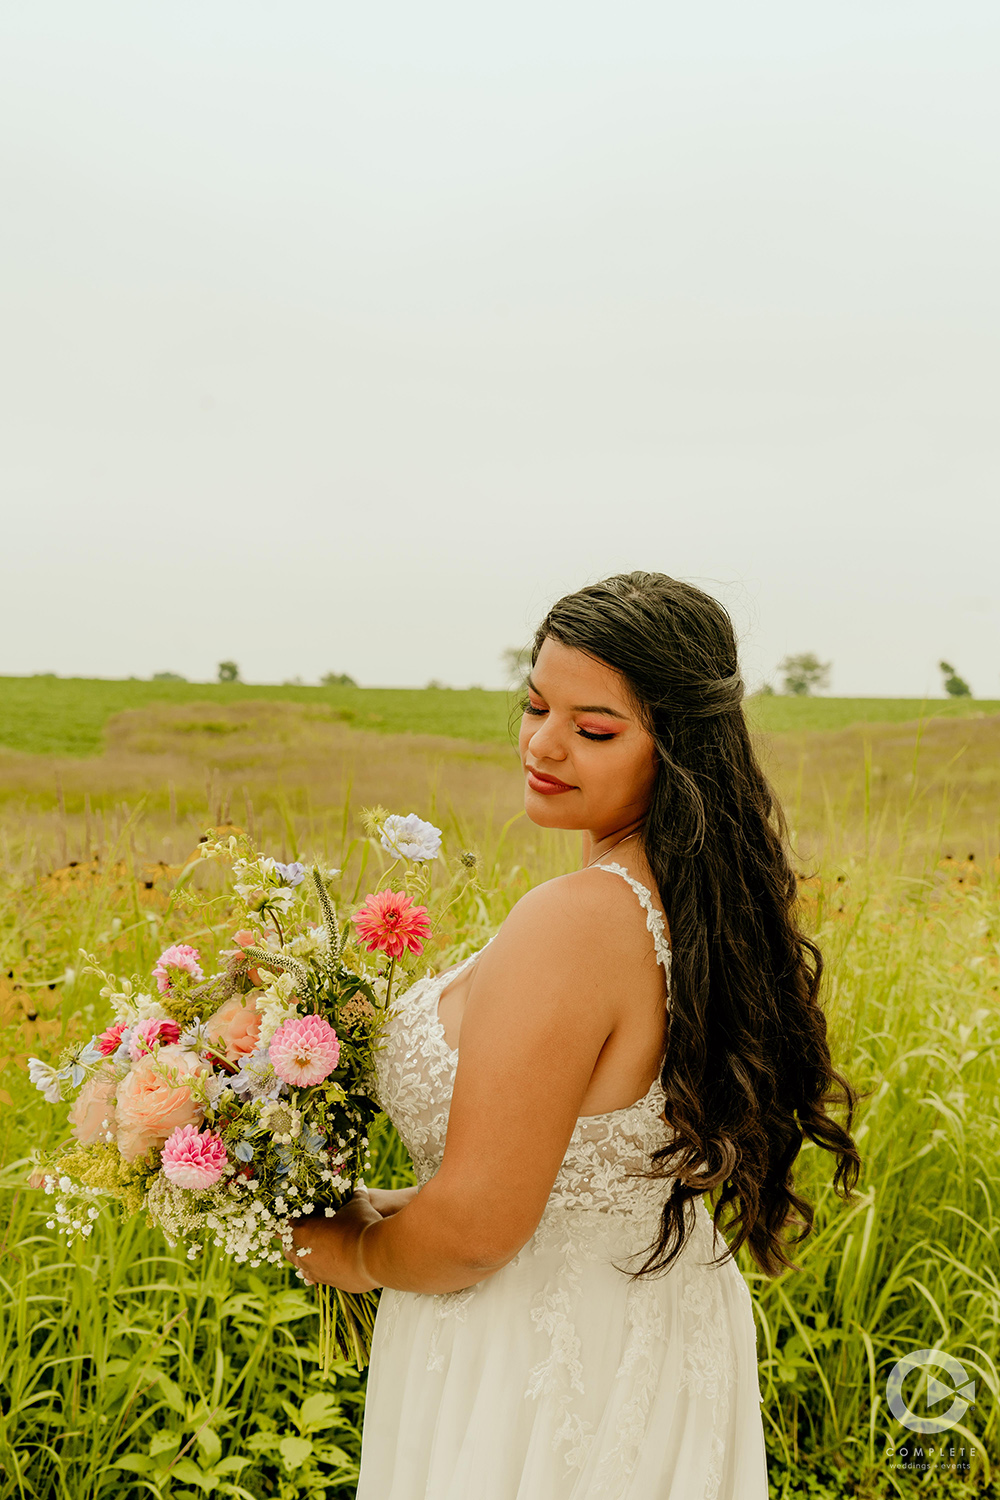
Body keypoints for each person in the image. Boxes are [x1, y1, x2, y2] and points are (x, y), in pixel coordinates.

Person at [289, 570, 861, 1499]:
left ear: (679, 748)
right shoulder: (696, 905)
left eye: (594, 729)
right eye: (534, 704)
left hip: (531, 1363)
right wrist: (390, 1205)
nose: (543, 744)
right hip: (643, 1327)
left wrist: (350, 1253)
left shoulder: (580, 918)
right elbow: (573, 1167)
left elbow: (480, 1228)